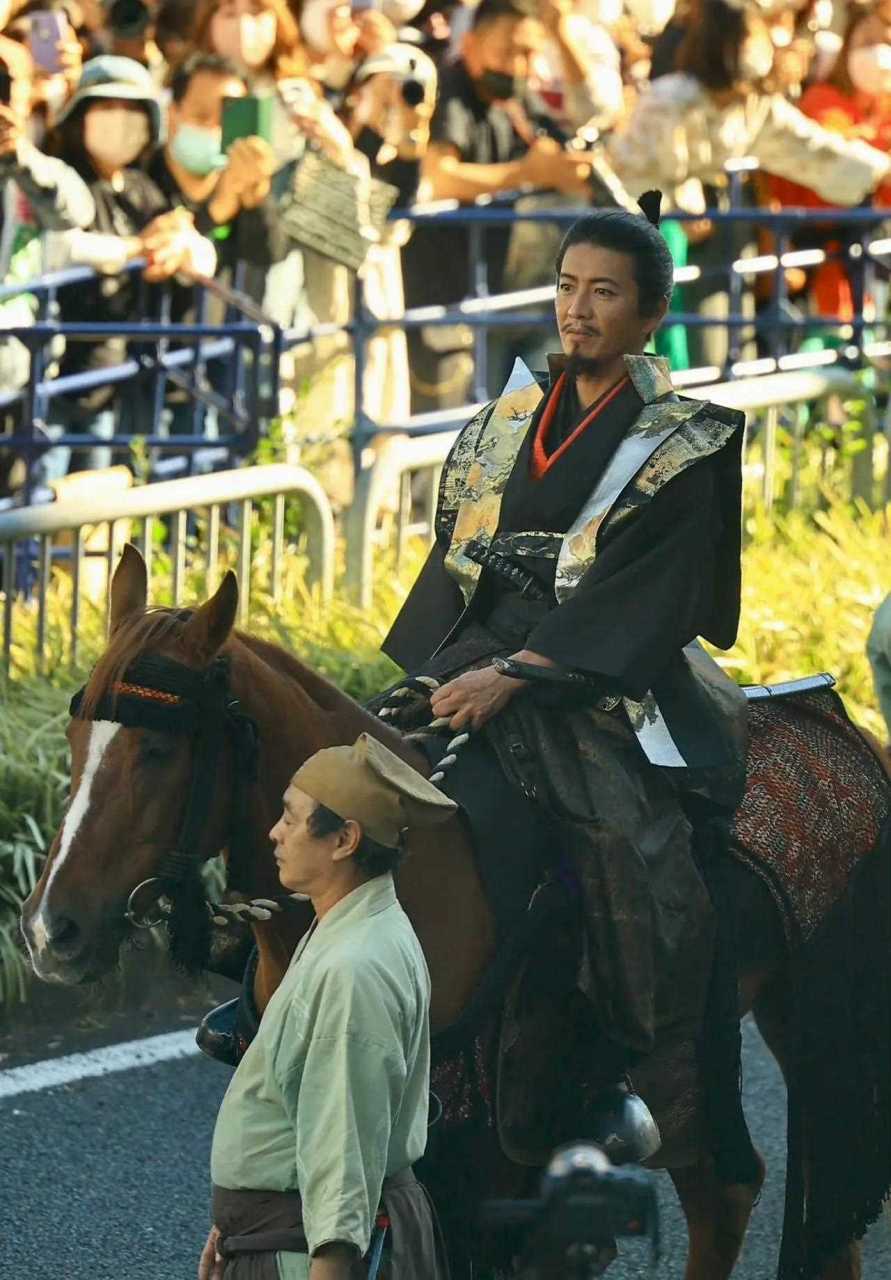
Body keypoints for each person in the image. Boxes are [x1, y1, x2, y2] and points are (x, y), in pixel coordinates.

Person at [381, 202, 763, 1201]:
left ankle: (607, 1066)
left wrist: (519, 675)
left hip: (595, 678)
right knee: (343, 781)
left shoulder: (686, 439)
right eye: (566, 286)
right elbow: (459, 560)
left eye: (604, 293)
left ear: (648, 317)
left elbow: (653, 589)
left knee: (617, 852)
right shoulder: (510, 415)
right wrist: (440, 667)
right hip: (470, 657)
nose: (577, 310)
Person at [202, 733, 453, 1280]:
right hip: (278, 1233)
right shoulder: (349, 926)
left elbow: (343, 1149)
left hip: (305, 1251)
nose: (275, 832)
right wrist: (235, 1225)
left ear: (344, 839)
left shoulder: (353, 968)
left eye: (291, 819)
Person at [402, 0, 598, 411]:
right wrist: (528, 174)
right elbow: (439, 176)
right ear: (470, 45)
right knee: (448, 431)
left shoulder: (514, 98)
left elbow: (583, 117)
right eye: (508, 51)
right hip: (446, 302)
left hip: (505, 298)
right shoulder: (450, 90)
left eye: (528, 53)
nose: (518, 65)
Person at [39, 55, 216, 481]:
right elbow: (59, 248)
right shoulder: (62, 179)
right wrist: (135, 250)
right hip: (61, 372)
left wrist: (178, 246)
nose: (119, 120)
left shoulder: (142, 187)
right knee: (43, 495)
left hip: (120, 376)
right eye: (105, 107)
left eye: (132, 110)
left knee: (99, 504)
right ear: (79, 117)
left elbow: (199, 250)